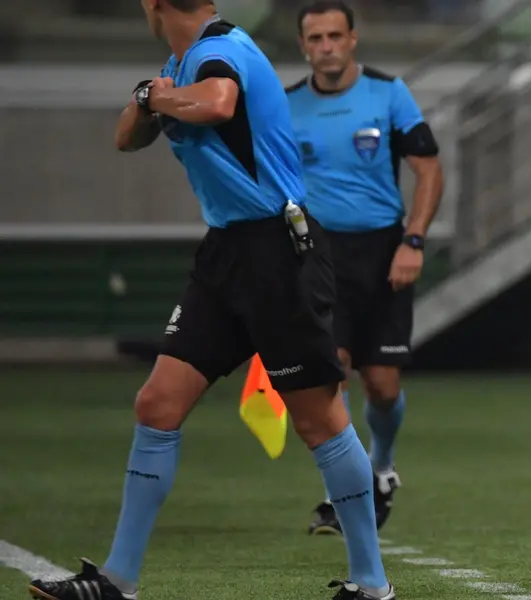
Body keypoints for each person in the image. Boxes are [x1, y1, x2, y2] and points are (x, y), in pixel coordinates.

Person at [27, 2, 394, 600]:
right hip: (227, 255)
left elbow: (219, 102)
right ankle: (117, 581)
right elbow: (126, 136)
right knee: (157, 404)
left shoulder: (219, 50)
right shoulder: (180, 62)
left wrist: (154, 97)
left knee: (318, 420)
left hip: (279, 252)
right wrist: (152, 96)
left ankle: (372, 585)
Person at [286, 0, 444, 538]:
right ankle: (343, 493)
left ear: (353, 39)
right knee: (335, 372)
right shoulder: (285, 107)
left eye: (335, 35)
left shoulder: (388, 94)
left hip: (383, 253)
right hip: (320, 257)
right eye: (316, 38)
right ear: (304, 46)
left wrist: (413, 241)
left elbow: (428, 172)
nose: (326, 46)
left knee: (382, 385)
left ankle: (382, 466)